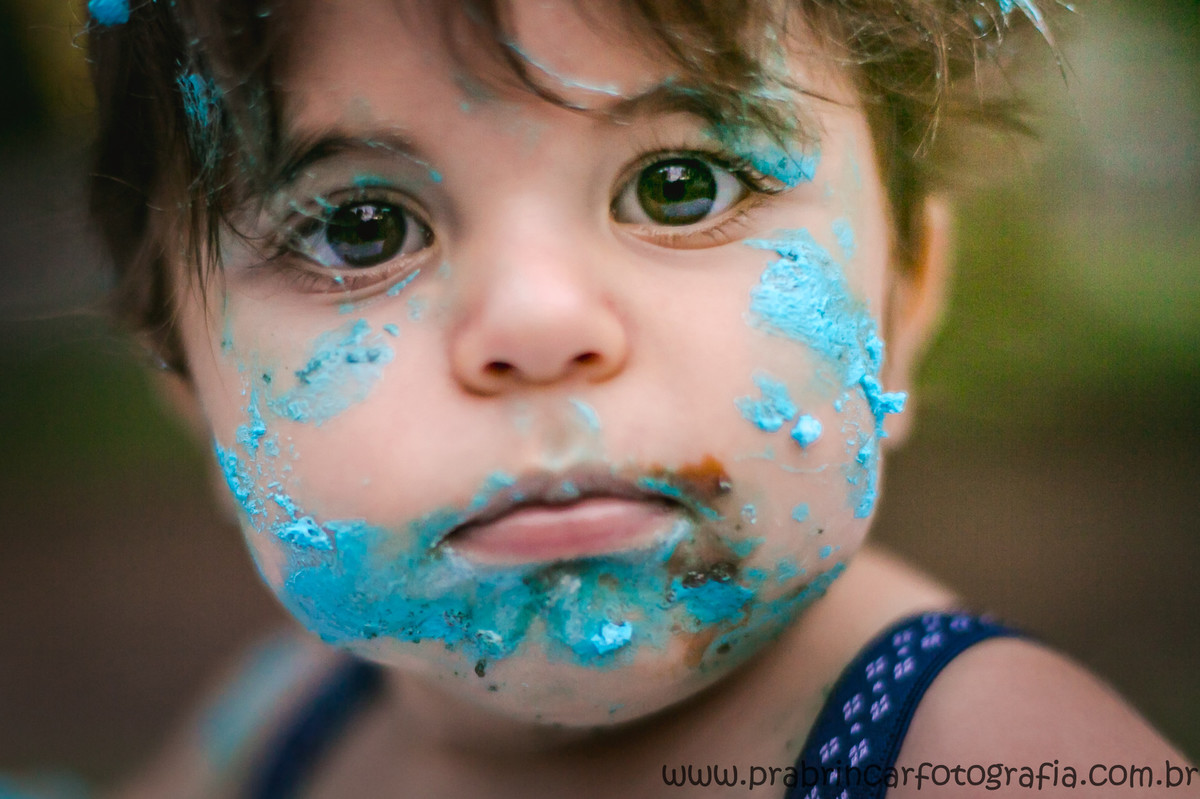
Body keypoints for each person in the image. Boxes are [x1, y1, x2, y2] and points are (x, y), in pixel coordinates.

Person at [80, 0, 1195, 796]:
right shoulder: (281, 724)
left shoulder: (994, 758)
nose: (540, 326)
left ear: (903, 303)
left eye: (680, 185)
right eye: (359, 227)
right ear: (192, 391)